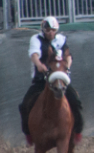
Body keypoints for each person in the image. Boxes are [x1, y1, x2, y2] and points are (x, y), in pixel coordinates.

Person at [18, 17, 85, 145]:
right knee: (25, 105)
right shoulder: (36, 39)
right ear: (43, 29)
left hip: (59, 78)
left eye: (53, 30)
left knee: (75, 101)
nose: (50, 33)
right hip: (41, 80)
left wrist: (68, 65)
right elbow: (34, 54)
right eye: (48, 30)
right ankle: (28, 134)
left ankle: (77, 130)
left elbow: (68, 56)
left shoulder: (62, 39)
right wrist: (38, 64)